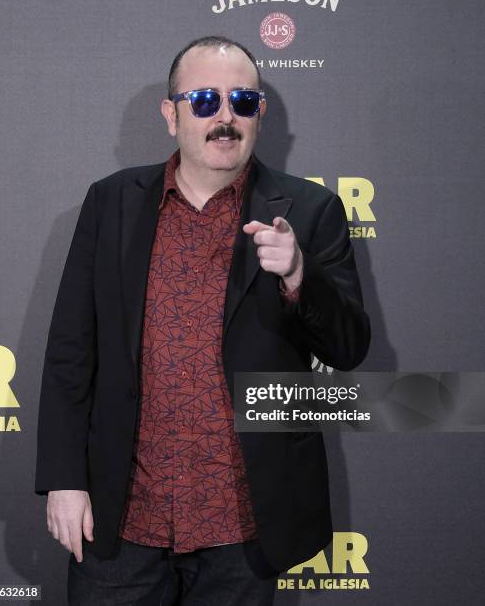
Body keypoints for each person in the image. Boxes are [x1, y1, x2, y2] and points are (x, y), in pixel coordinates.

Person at [35, 35, 370, 605]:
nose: (225, 117)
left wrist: (298, 277)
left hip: (243, 524)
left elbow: (349, 348)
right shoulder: (110, 203)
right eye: (205, 101)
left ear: (258, 113)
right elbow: (72, 350)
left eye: (242, 101)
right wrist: (65, 479)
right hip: (122, 517)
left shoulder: (311, 212)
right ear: (171, 115)